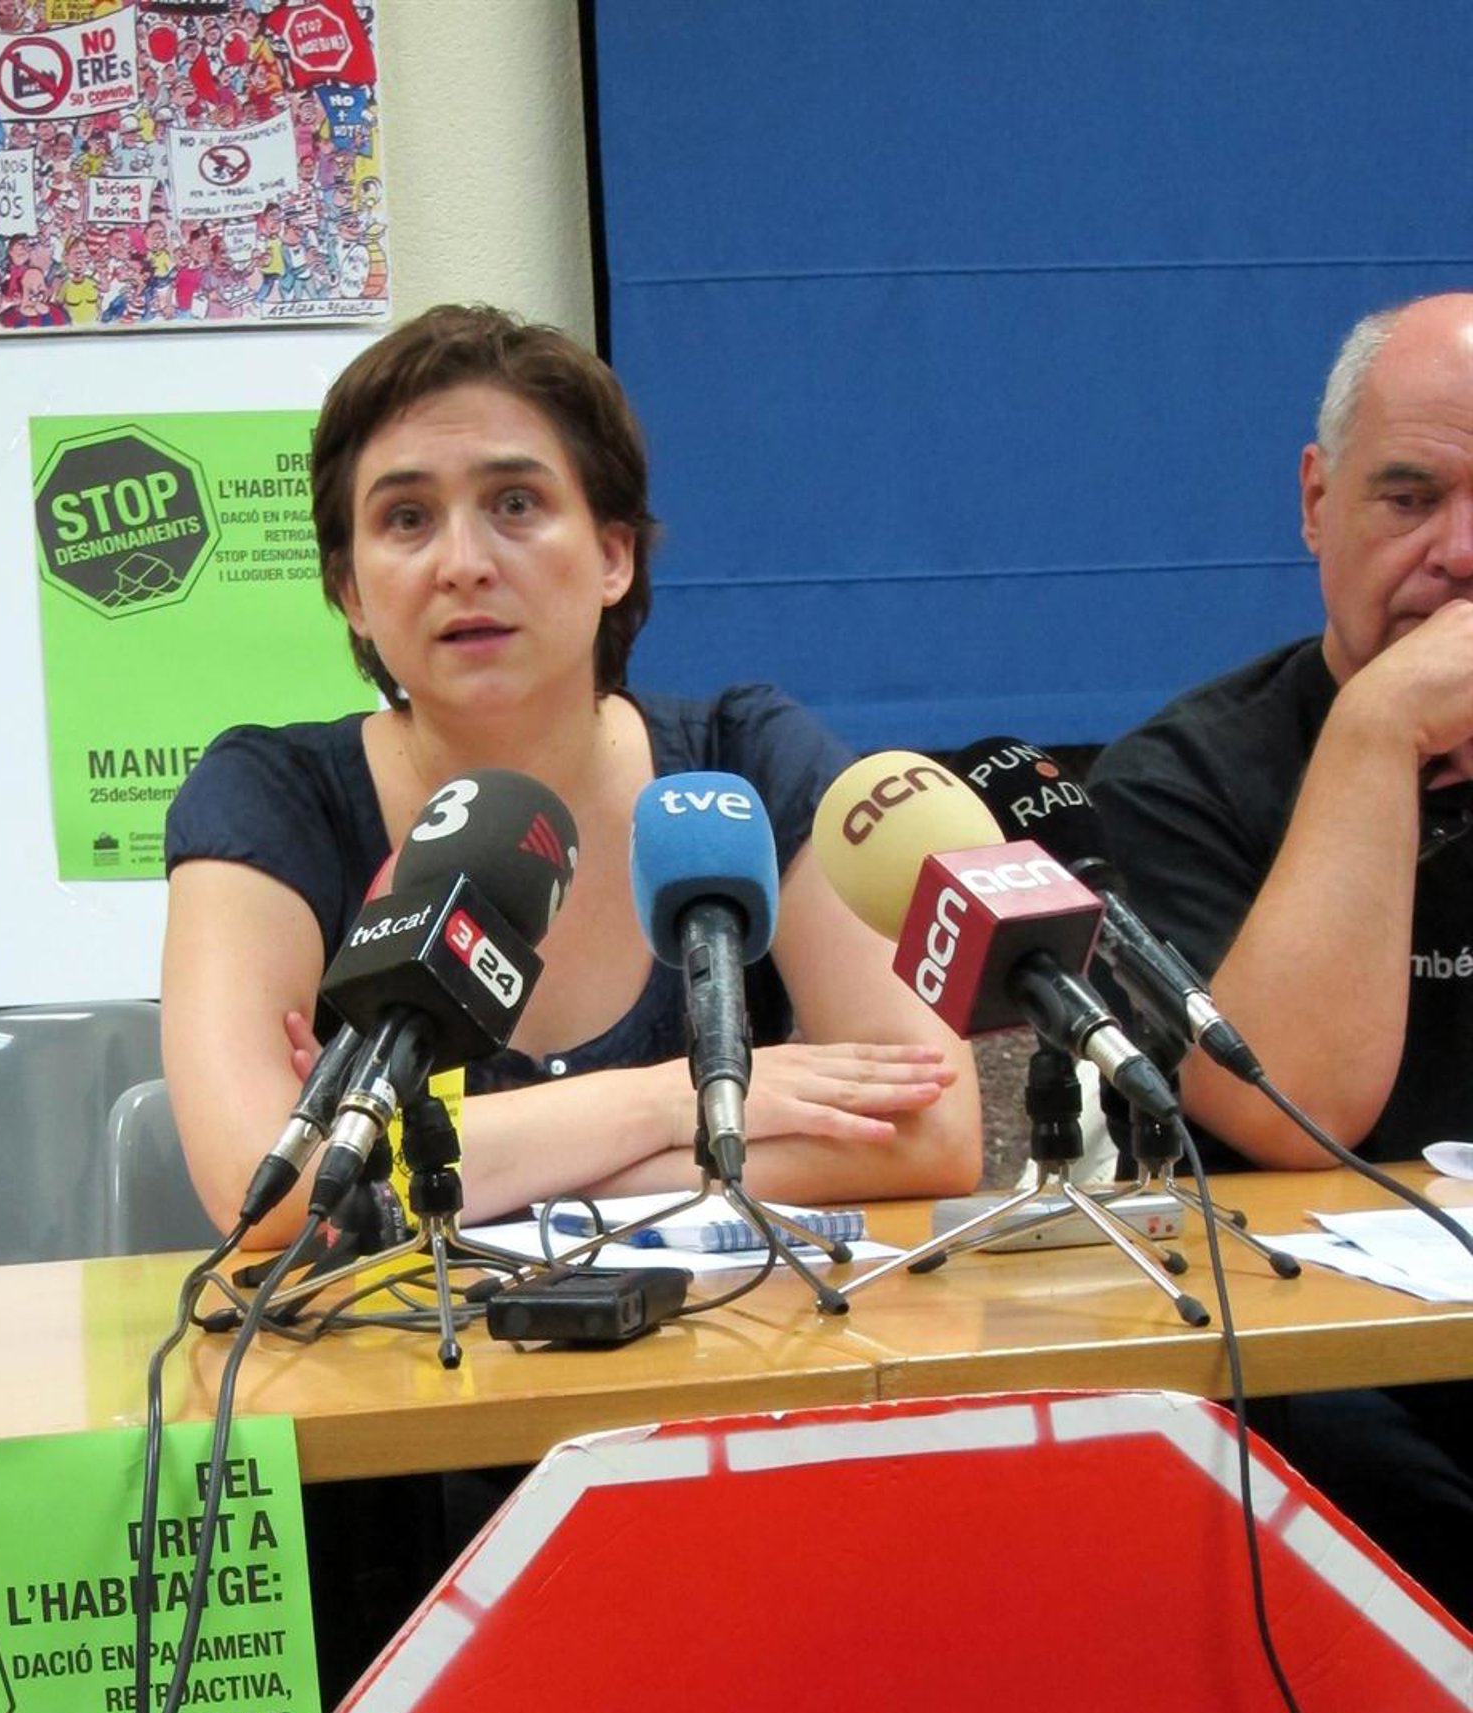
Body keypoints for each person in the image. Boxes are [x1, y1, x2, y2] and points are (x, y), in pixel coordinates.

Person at [161, 303, 981, 1249]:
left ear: (612, 555)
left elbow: (933, 1129)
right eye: (407, 518)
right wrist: (673, 1103)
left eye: (516, 504)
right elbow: (263, 1183)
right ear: (350, 591)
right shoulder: (269, 798)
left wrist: (420, 1177)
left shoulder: (746, 761)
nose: (464, 564)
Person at [1090, 291, 1473, 1622]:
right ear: (1317, 502)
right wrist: (1381, 727)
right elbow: (1292, 1106)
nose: (1459, 555)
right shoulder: (1174, 783)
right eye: (1409, 498)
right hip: (1316, 1370)